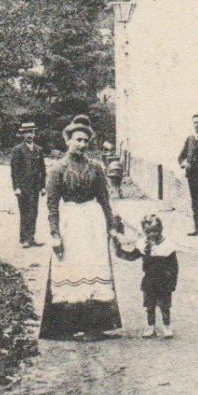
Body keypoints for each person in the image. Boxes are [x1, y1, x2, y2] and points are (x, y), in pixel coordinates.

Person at [39, 115, 123, 340]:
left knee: (93, 267)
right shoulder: (58, 169)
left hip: (92, 223)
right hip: (71, 222)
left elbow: (104, 199)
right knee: (71, 268)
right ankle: (67, 328)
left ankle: (94, 326)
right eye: (78, 140)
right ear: (68, 140)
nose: (82, 145)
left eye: (86, 141)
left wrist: (111, 226)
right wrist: (55, 234)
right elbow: (52, 206)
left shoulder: (95, 167)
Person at [137, 214, 179, 339]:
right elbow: (131, 256)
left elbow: (174, 267)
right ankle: (151, 326)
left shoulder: (167, 246)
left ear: (160, 229)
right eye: (148, 232)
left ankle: (166, 326)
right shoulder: (143, 244)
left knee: (164, 305)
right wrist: (118, 248)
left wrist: (172, 282)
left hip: (164, 281)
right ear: (144, 231)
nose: (152, 234)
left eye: (155, 231)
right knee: (149, 305)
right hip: (149, 280)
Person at [9, 121, 47, 247]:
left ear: (34, 133)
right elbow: (14, 171)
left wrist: (42, 186)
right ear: (23, 135)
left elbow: (43, 170)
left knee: (34, 211)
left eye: (31, 132)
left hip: (35, 187)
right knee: (25, 212)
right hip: (23, 187)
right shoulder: (18, 150)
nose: (29, 135)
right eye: (27, 133)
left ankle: (31, 237)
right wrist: (16, 187)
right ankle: (24, 239)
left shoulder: (38, 149)